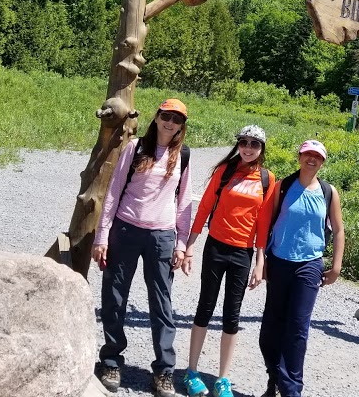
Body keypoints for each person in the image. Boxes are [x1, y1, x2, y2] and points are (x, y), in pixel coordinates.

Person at [92, 98, 193, 397]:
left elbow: (184, 202)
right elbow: (113, 191)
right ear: (157, 116)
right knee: (114, 295)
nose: (170, 122)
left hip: (161, 236)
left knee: (162, 304)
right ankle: (111, 360)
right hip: (126, 228)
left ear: (181, 125)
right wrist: (102, 235)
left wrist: (181, 243)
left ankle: (164, 370)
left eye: (176, 118)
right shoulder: (135, 148)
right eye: (166, 115)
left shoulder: (183, 155)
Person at [181, 125, 276, 397]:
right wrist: (189, 247)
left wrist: (260, 261)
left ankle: (223, 379)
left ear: (261, 149)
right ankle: (192, 371)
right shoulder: (224, 172)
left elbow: (263, 223)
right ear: (238, 145)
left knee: (231, 316)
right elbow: (204, 208)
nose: (248, 148)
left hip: (242, 254)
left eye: (254, 144)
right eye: (243, 142)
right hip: (216, 247)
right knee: (205, 307)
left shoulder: (267, 180)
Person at [255, 139, 345, 397]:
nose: (312, 159)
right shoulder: (283, 186)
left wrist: (336, 266)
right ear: (300, 156)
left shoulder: (329, 192)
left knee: (297, 329)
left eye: (317, 156)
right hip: (279, 261)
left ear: (323, 161)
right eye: (308, 154)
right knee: (271, 327)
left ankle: (291, 391)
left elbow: (338, 230)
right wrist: (261, 260)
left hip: (309, 265)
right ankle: (274, 379)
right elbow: (266, 223)